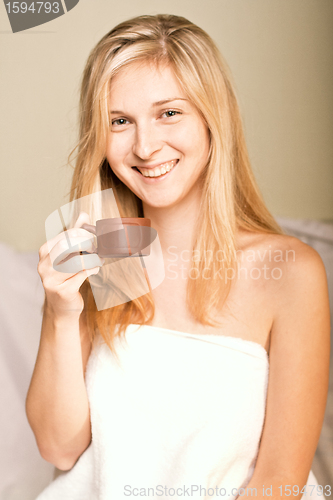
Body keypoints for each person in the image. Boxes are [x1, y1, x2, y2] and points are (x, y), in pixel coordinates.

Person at [26, 14, 330, 500]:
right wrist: (62, 314)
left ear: (213, 118)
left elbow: (279, 483)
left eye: (169, 113)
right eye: (119, 121)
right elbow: (60, 449)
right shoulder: (101, 255)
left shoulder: (290, 272)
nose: (145, 146)